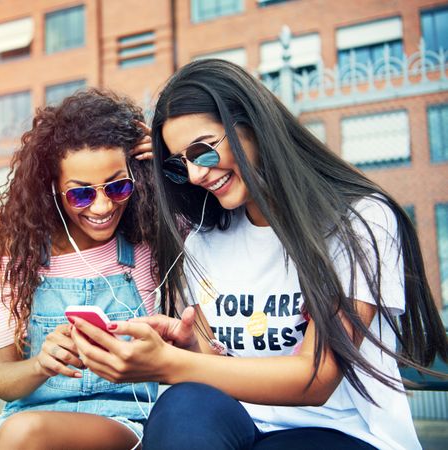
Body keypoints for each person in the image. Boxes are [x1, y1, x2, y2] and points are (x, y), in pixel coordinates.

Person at [68, 59, 448, 450]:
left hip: (344, 434)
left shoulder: (358, 220)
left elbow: (317, 379)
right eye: (179, 164)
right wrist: (186, 349)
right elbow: (221, 368)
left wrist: (169, 364)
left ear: (253, 125)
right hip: (237, 424)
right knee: (182, 406)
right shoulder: (204, 240)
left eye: (202, 150)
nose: (196, 175)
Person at [0, 88, 159, 450]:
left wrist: (169, 160)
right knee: (23, 431)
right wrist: (41, 364)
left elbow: (219, 206)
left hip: (120, 419)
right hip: (26, 419)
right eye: (81, 194)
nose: (104, 205)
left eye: (118, 186)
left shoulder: (148, 243)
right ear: (52, 190)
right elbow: (3, 378)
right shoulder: (13, 261)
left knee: (26, 435)